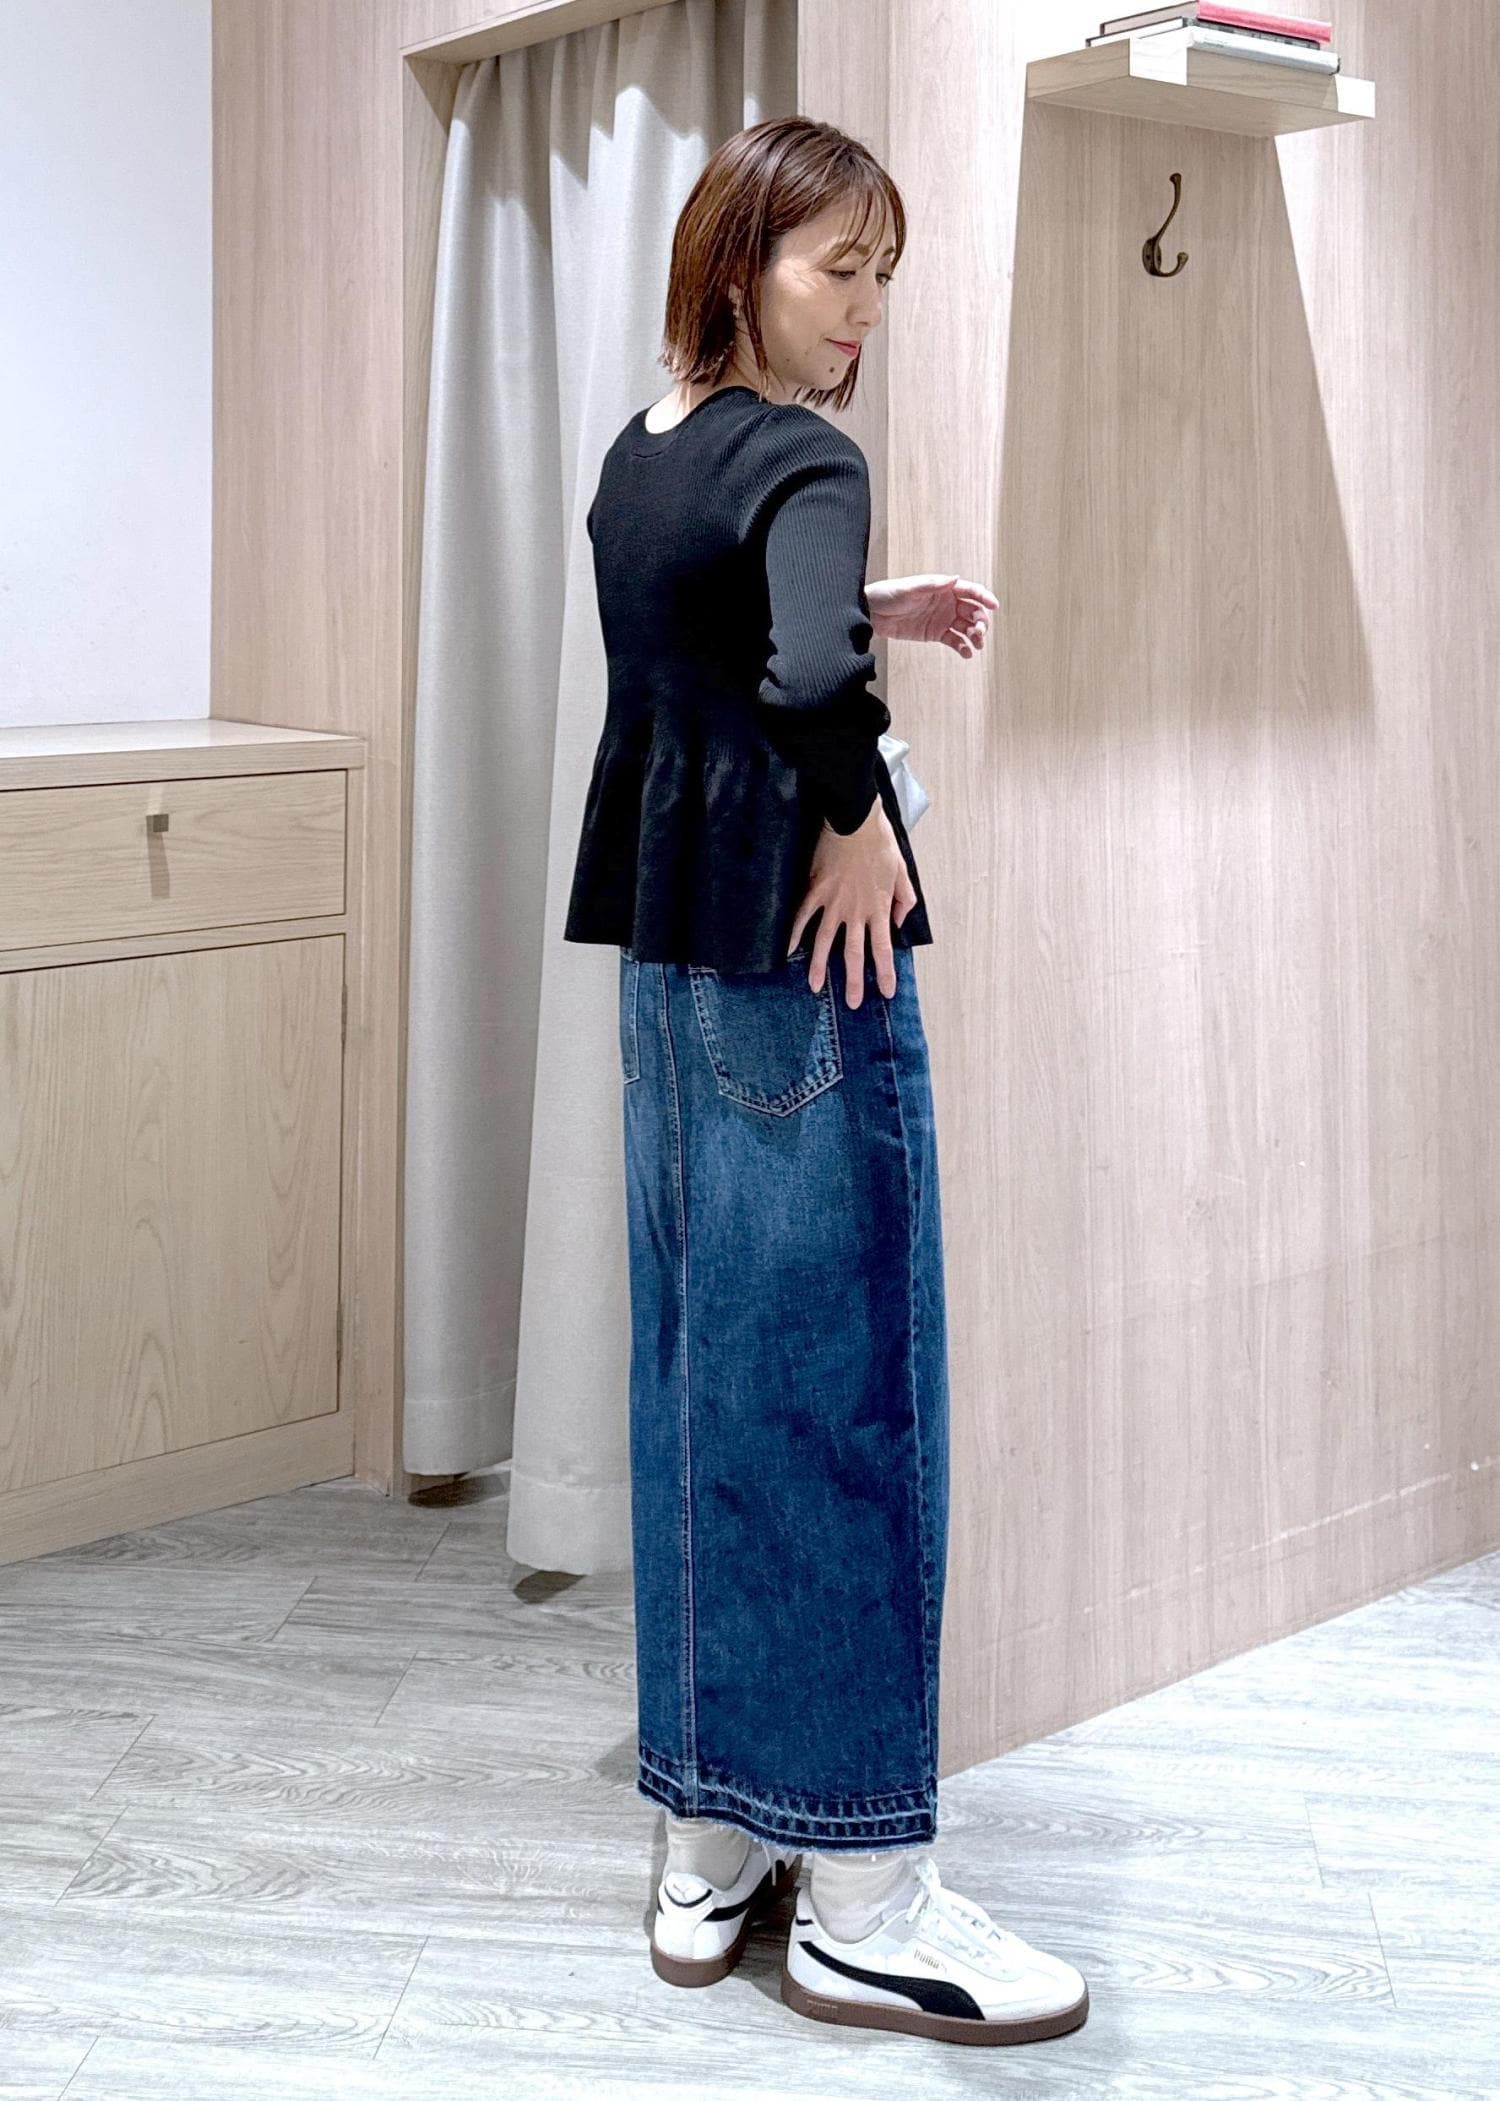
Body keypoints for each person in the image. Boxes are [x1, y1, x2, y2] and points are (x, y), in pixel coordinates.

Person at [564, 114, 1088, 2048]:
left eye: (882, 272)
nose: (863, 308)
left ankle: (707, 1846)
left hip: (669, 979)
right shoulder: (806, 454)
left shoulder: (645, 449)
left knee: (704, 1382)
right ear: (741, 265)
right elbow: (793, 687)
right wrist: (862, 818)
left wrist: (872, 605)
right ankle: (865, 1895)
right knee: (848, 1395)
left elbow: (702, 643)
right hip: (798, 969)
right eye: (833, 268)